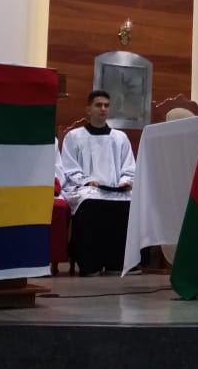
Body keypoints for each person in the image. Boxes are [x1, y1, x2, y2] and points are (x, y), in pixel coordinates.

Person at [61, 90, 136, 276]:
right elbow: (69, 167)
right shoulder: (74, 136)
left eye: (106, 105)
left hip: (115, 188)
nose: (103, 109)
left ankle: (117, 263)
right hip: (85, 188)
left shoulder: (120, 138)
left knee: (131, 204)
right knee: (90, 203)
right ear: (88, 109)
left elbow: (129, 167)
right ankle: (90, 264)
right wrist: (88, 181)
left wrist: (125, 181)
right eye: (98, 105)